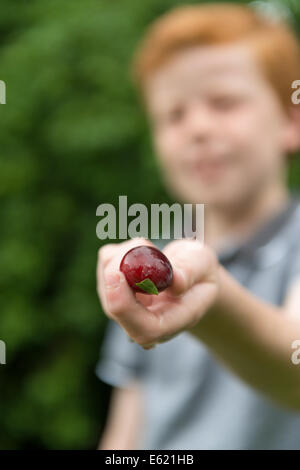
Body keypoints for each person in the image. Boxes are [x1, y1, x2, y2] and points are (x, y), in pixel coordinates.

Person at [95, 3, 300, 450]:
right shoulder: (147, 271)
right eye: (174, 115)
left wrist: (212, 300)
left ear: (291, 120)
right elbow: (124, 437)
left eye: (224, 103)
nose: (198, 128)